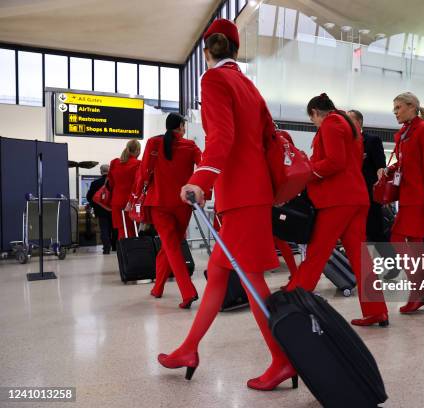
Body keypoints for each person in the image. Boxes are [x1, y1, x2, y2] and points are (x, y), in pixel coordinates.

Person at [158, 19, 295, 391]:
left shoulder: (214, 80)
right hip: (253, 193)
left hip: (241, 197)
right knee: (219, 277)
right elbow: (265, 138)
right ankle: (188, 349)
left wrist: (200, 180)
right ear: (235, 50)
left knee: (251, 283)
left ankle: (283, 360)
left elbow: (222, 137)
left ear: (208, 51)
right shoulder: (249, 86)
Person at [285, 93, 389, 327]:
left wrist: (307, 171)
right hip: (356, 197)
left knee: (316, 253)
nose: (314, 124)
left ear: (314, 113)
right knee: (361, 259)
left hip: (338, 200)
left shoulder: (331, 124)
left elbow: (334, 162)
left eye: (312, 120)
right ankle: (377, 311)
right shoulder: (347, 124)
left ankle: (293, 304)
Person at [382, 91, 424, 314]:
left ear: (410, 106)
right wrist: (390, 169)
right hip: (407, 197)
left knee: (398, 238)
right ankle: (421, 291)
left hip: (418, 199)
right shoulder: (404, 133)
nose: (395, 112)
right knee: (414, 244)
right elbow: (405, 164)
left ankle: (419, 291)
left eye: (398, 107)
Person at [136, 113, 201, 308]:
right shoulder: (191, 146)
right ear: (180, 126)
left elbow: (144, 171)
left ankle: (187, 291)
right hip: (183, 204)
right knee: (170, 246)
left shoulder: (153, 143)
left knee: (170, 247)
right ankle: (158, 288)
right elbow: (204, 165)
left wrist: (137, 196)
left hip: (159, 203)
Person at [347, 109, 387, 242]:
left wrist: (380, 187)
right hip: (350, 193)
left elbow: (381, 166)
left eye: (349, 119)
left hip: (369, 193)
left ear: (358, 122)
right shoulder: (345, 141)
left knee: (373, 229)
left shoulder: (372, 140)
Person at [107, 140, 141, 240]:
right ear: (138, 150)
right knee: (133, 230)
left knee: (122, 231)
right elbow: (139, 184)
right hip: (132, 202)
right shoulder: (139, 164)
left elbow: (111, 183)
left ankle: (123, 254)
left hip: (117, 202)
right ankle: (133, 254)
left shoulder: (114, 163)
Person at [86, 164, 113, 254]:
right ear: (109, 171)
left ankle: (106, 248)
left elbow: (89, 197)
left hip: (101, 210)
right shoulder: (113, 183)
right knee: (114, 228)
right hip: (113, 209)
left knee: (104, 228)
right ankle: (115, 247)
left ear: (101, 172)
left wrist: (95, 205)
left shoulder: (95, 183)